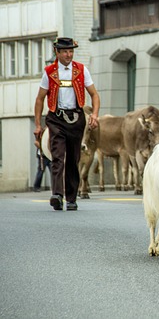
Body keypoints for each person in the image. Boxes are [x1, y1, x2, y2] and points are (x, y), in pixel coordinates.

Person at [33, 37, 100, 211]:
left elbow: (94, 95)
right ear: (57, 52)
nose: (68, 55)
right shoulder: (49, 72)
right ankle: (57, 194)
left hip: (76, 118)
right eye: (65, 52)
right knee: (58, 156)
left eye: (71, 51)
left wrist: (94, 114)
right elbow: (40, 99)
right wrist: (38, 125)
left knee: (73, 158)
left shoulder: (81, 70)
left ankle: (71, 198)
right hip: (56, 118)